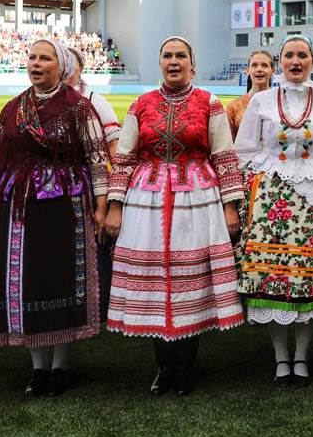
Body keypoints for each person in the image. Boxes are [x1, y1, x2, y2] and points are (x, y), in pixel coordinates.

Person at [105, 37, 245, 396]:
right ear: (159, 63)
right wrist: (115, 206)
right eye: (167, 55)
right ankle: (163, 367)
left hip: (196, 198)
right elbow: (124, 157)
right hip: (146, 201)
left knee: (191, 281)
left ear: (192, 65)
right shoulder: (142, 104)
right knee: (154, 280)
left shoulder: (209, 103)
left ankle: (186, 366)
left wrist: (230, 206)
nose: (173, 61)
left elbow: (225, 156)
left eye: (180, 55)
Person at [0, 38, 110, 397]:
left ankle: (60, 366)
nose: (36, 63)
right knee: (28, 279)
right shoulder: (12, 108)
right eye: (32, 57)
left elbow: (96, 161)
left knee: (59, 279)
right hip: (18, 205)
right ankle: (37, 368)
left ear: (60, 66)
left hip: (64, 204)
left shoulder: (78, 108)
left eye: (44, 58)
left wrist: (102, 205)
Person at [235, 35, 313, 386]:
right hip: (272, 199)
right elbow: (244, 149)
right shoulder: (262, 101)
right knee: (274, 274)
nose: (295, 62)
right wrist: (256, 184)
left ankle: (302, 355)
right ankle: (281, 357)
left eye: (302, 56)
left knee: (307, 276)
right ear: (279, 61)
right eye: (288, 56)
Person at [66, 46, 121, 321]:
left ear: (80, 67)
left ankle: (99, 303)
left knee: (94, 242)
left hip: (90, 184)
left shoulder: (95, 100)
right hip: (57, 187)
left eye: (70, 61)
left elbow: (114, 146)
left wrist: (111, 193)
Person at [226, 51, 275, 141]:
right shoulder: (233, 107)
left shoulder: (281, 104)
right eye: (254, 65)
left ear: (272, 70)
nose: (259, 69)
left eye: (264, 65)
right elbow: (229, 144)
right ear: (247, 70)